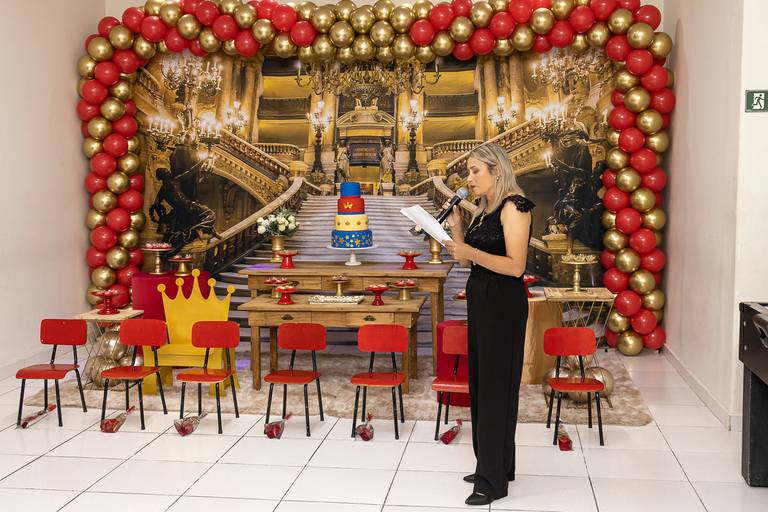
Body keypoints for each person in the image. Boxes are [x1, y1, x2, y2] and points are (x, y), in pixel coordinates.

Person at [443, 143, 534, 506]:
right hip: (482, 305)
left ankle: (491, 481)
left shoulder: (515, 206)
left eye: (475, 171)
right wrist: (457, 231)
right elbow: (468, 263)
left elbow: (515, 266)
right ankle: (495, 465)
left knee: (497, 388)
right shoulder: (484, 211)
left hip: (503, 306)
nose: (469, 179)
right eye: (469, 171)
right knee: (482, 385)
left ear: (497, 171)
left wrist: (470, 251)